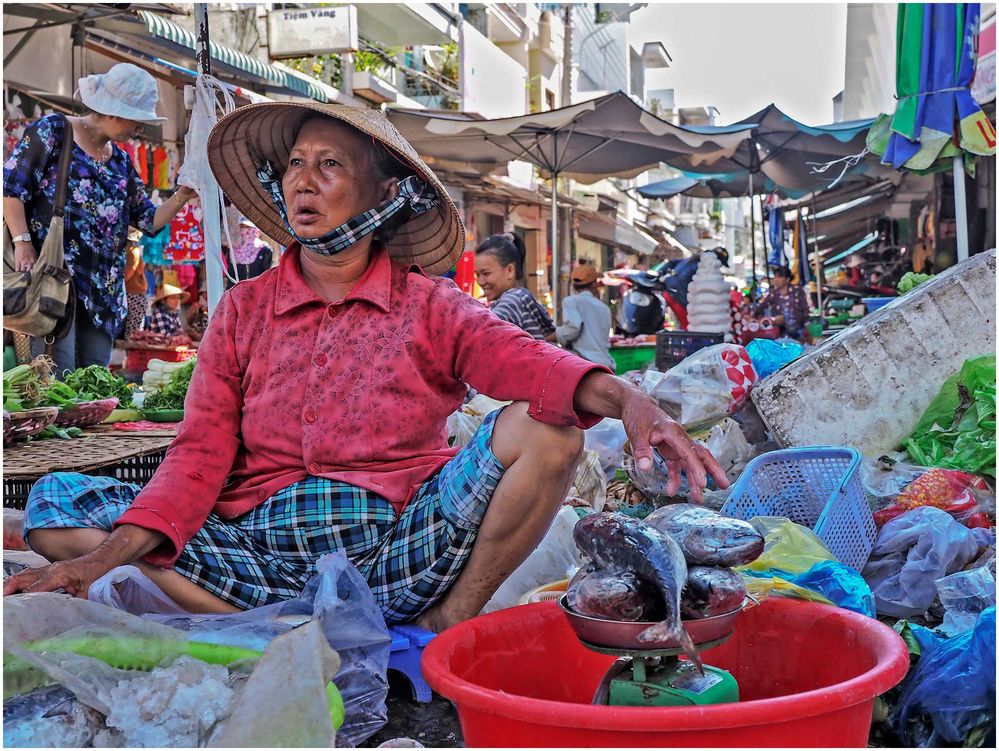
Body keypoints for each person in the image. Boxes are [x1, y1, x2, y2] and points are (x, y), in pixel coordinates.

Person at [5, 102, 727, 634]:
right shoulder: (244, 309)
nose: (302, 183)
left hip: (396, 551)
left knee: (551, 431)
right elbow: (198, 454)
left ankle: (446, 619)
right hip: (258, 549)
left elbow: (530, 363)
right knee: (58, 506)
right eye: (293, 165)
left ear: (383, 194)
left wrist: (628, 400)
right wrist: (100, 562)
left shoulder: (430, 305)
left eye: (329, 165)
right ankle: (293, 622)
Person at [2, 63, 196, 373]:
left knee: (94, 378)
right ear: (112, 113)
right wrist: (22, 242)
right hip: (55, 281)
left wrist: (182, 196)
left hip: (103, 292)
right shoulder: (53, 132)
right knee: (57, 377)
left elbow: (148, 220)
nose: (140, 130)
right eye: (137, 121)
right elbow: (11, 189)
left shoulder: (119, 160)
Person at [474, 233, 556, 340]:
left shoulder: (512, 299)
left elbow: (484, 330)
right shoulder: (521, 298)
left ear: (510, 271)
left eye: (486, 273)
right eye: (477, 275)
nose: (480, 281)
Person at [552, 263, 615, 370]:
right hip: (605, 364)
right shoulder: (605, 308)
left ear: (574, 286)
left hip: (586, 366)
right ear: (594, 284)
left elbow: (573, 328)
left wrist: (550, 337)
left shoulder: (571, 301)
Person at [754, 265, 810, 340]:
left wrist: (807, 327)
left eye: (779, 277)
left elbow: (805, 309)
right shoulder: (774, 293)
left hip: (799, 331)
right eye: (775, 277)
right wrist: (757, 317)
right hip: (782, 332)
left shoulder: (797, 290)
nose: (776, 280)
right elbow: (762, 306)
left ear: (787, 279)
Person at [123, 229, 147, 338]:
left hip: (133, 294)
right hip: (134, 294)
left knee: (131, 333)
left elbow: (127, 274)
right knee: (131, 331)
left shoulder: (132, 251)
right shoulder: (132, 251)